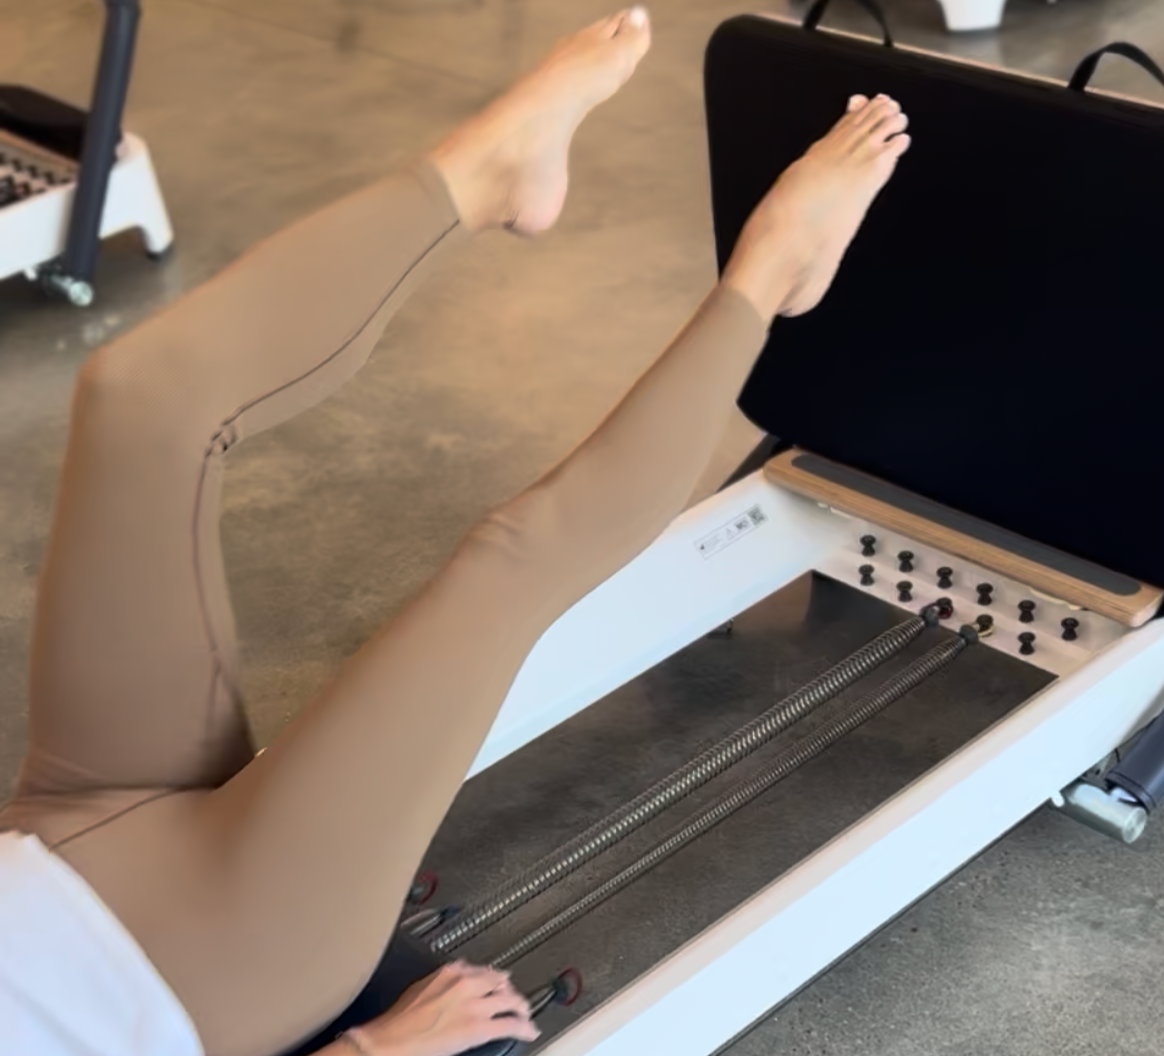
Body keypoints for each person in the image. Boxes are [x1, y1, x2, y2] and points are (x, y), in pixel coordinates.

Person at [0, 7, 911, 1056]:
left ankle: (484, 174)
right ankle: (773, 273)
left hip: (51, 826)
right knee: (505, 564)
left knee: (139, 401)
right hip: (196, 969)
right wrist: (373, 1052)